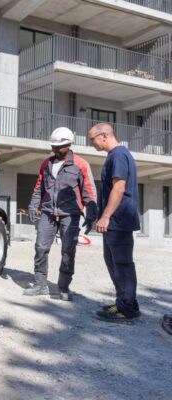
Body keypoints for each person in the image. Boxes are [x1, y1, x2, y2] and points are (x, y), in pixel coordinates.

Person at [24, 127, 97, 301]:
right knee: (41, 247)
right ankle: (40, 284)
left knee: (68, 251)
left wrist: (92, 213)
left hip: (70, 215)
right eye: (53, 146)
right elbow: (38, 188)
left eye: (59, 146)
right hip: (48, 213)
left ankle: (63, 287)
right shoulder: (46, 164)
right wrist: (33, 205)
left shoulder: (81, 164)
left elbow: (88, 191)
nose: (55, 149)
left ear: (69, 144)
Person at [88, 123, 142, 323]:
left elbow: (119, 188)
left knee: (122, 264)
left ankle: (126, 308)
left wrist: (106, 216)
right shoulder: (117, 155)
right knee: (114, 262)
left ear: (104, 136)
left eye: (92, 138)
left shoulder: (118, 155)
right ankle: (125, 302)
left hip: (118, 220)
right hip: (116, 220)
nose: (91, 142)